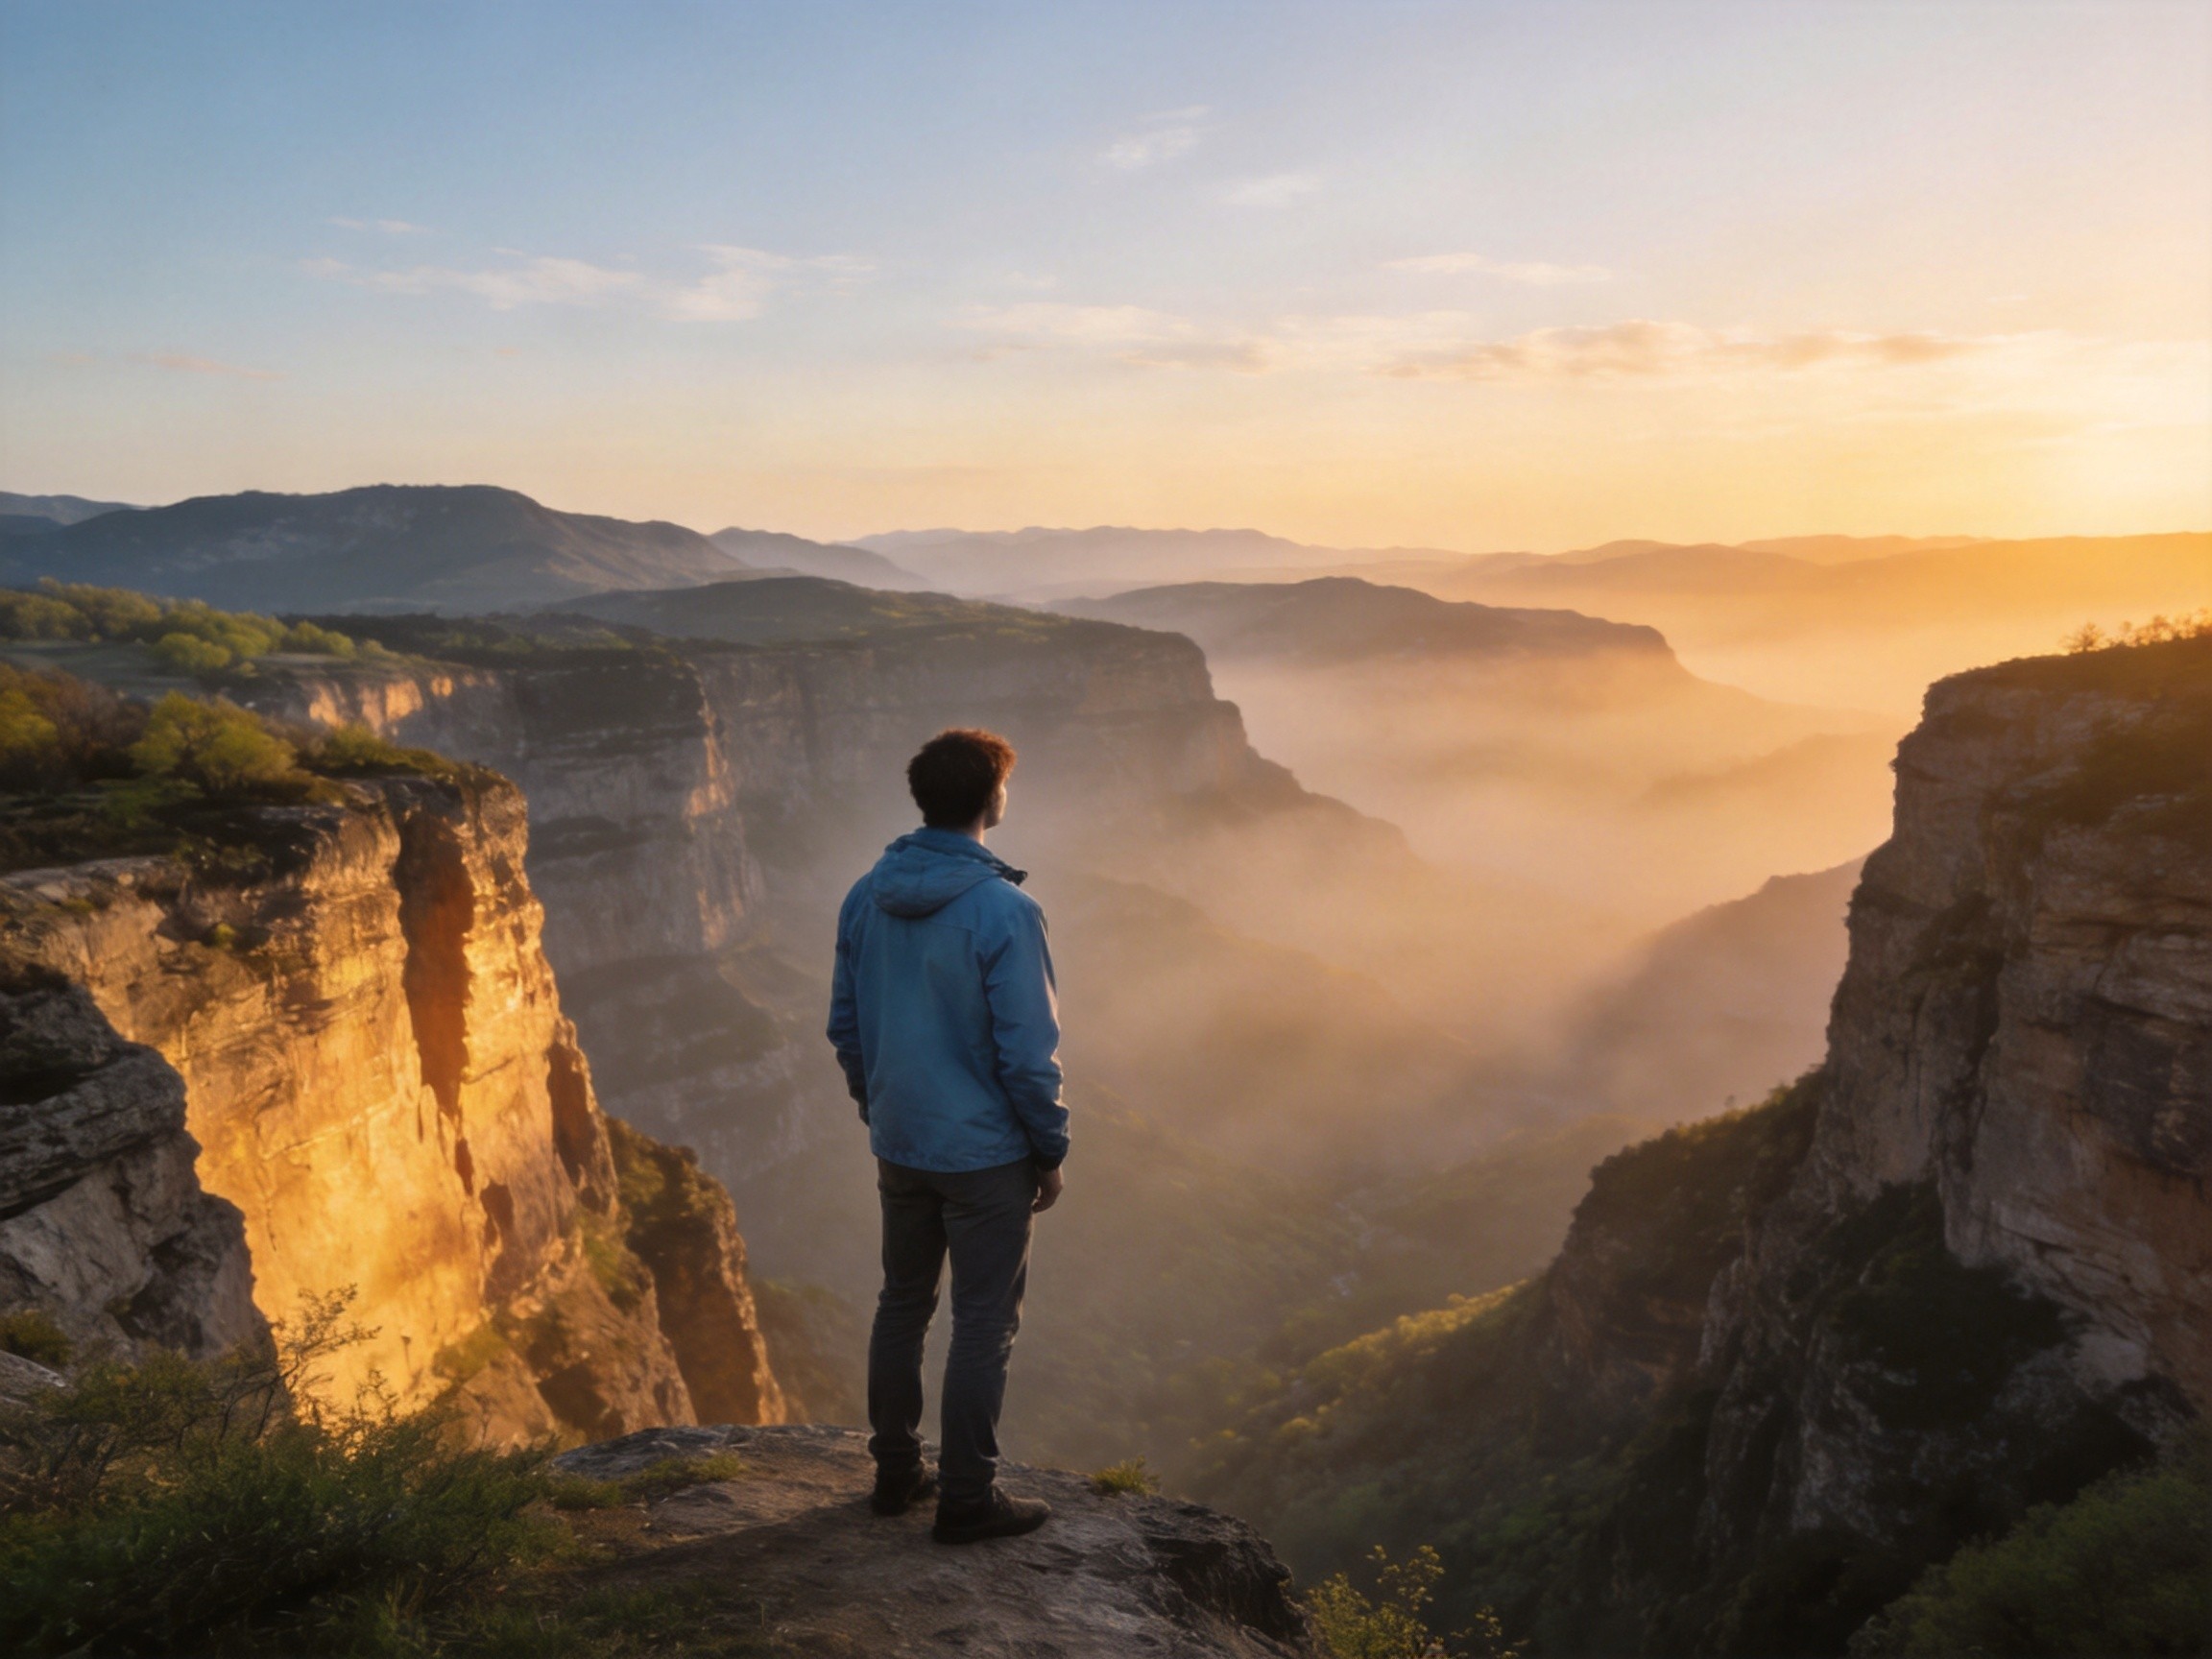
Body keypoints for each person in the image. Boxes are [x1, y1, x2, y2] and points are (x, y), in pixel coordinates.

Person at [826, 727, 1070, 1544]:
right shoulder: (1006, 909)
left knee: (901, 1304)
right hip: (985, 1154)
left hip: (900, 1140)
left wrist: (876, 1104)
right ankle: (967, 1497)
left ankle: (896, 1475)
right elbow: (1028, 1056)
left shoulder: (865, 894)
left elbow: (846, 1024)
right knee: (981, 1323)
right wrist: (1050, 1148)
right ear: (992, 798)